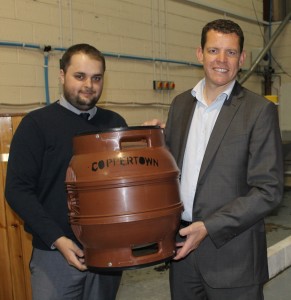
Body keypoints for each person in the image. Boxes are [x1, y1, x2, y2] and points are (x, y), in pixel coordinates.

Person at [145, 19, 284, 300]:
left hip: (234, 260)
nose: (221, 60)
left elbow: (268, 190)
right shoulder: (181, 104)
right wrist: (150, 143)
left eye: (231, 52)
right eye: (213, 51)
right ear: (200, 54)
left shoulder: (259, 112)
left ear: (242, 59)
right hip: (183, 254)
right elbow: (171, 171)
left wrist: (209, 227)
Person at [5, 43, 127, 300]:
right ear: (62, 75)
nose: (89, 85)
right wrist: (57, 239)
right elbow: (17, 190)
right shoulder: (36, 125)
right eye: (79, 76)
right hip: (55, 255)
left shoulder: (115, 124)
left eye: (96, 78)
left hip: (107, 253)